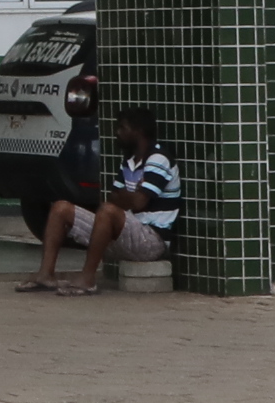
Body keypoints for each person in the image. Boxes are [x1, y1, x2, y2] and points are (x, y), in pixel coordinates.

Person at [34, 105, 178, 293]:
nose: (117, 133)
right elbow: (113, 197)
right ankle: (45, 275)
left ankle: (87, 279)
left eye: (122, 128)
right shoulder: (130, 161)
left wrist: (126, 196)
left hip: (151, 241)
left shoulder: (158, 159)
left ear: (138, 131)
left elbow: (138, 202)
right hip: (128, 232)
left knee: (107, 212)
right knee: (60, 208)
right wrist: (132, 194)